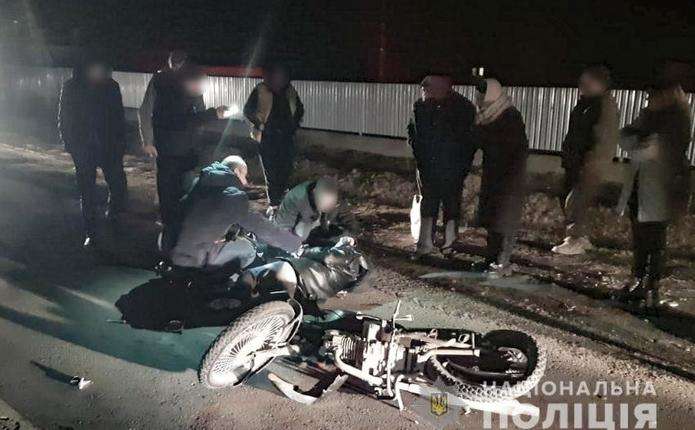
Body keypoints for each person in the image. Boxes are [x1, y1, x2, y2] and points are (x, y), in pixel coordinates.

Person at [615, 82, 692, 311]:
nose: (649, 101)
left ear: (666, 97)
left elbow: (656, 151)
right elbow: (624, 137)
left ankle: (651, 285)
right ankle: (638, 280)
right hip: (639, 187)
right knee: (640, 238)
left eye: (652, 97)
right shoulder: (647, 116)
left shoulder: (677, 120)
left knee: (654, 240)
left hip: (659, 190)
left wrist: (641, 145)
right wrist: (642, 144)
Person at [168, 156, 302, 273]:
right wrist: (293, 243)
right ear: (237, 171)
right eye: (245, 176)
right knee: (249, 249)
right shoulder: (233, 195)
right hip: (198, 257)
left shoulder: (199, 184)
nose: (246, 181)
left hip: (173, 249)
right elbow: (260, 226)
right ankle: (233, 282)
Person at [151, 64, 228, 246]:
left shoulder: (190, 97)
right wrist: (213, 114)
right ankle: (170, 243)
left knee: (186, 198)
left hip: (185, 157)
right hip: (171, 157)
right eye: (201, 84)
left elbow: (194, 121)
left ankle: (181, 237)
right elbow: (181, 122)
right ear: (188, 82)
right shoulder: (170, 98)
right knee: (171, 200)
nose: (203, 88)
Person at [57, 57, 127, 248]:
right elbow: (65, 116)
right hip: (83, 147)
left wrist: (120, 143)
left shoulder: (111, 87)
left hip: (109, 146)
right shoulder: (72, 87)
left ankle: (113, 219)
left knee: (118, 186)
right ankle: (91, 232)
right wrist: (71, 144)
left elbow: (118, 116)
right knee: (87, 192)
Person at [553, 65, 619, 255]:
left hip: (589, 164)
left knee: (575, 201)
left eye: (587, 82)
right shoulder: (586, 104)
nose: (582, 86)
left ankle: (575, 239)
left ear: (600, 84)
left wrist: (592, 163)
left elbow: (604, 139)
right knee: (570, 198)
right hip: (576, 162)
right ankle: (580, 237)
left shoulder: (603, 106)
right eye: (582, 82)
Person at [407, 74, 477, 256]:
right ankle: (427, 244)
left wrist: (462, 165)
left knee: (450, 204)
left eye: (427, 90)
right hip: (430, 167)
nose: (424, 93)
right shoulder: (421, 106)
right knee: (430, 204)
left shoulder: (462, 108)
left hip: (452, 168)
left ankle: (448, 243)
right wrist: (420, 156)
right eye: (424, 90)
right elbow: (413, 134)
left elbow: (469, 140)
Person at [473, 78, 529, 276]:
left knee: (504, 220)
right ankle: (491, 259)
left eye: (482, 95)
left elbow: (505, 147)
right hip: (494, 174)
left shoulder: (509, 116)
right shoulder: (489, 115)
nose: (479, 99)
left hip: (509, 177)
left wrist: (482, 135)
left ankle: (501, 262)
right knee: (493, 219)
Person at [243, 64, 305, 212]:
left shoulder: (290, 91)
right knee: (271, 171)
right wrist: (260, 124)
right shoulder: (261, 90)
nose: (279, 78)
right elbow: (248, 110)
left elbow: (299, 109)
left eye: (281, 75)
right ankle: (274, 204)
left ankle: (283, 200)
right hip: (267, 137)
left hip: (286, 137)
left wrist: (294, 125)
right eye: (276, 75)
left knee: (286, 169)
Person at [272, 177, 359, 244]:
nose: (328, 207)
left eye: (331, 204)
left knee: (340, 235)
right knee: (301, 234)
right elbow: (283, 227)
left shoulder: (338, 200)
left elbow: (349, 221)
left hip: (322, 226)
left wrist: (351, 237)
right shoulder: (295, 198)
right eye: (325, 203)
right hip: (300, 227)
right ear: (314, 193)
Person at [138, 50, 189, 158]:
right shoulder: (159, 80)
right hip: (165, 142)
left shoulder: (189, 81)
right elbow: (145, 111)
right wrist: (148, 142)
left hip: (182, 143)